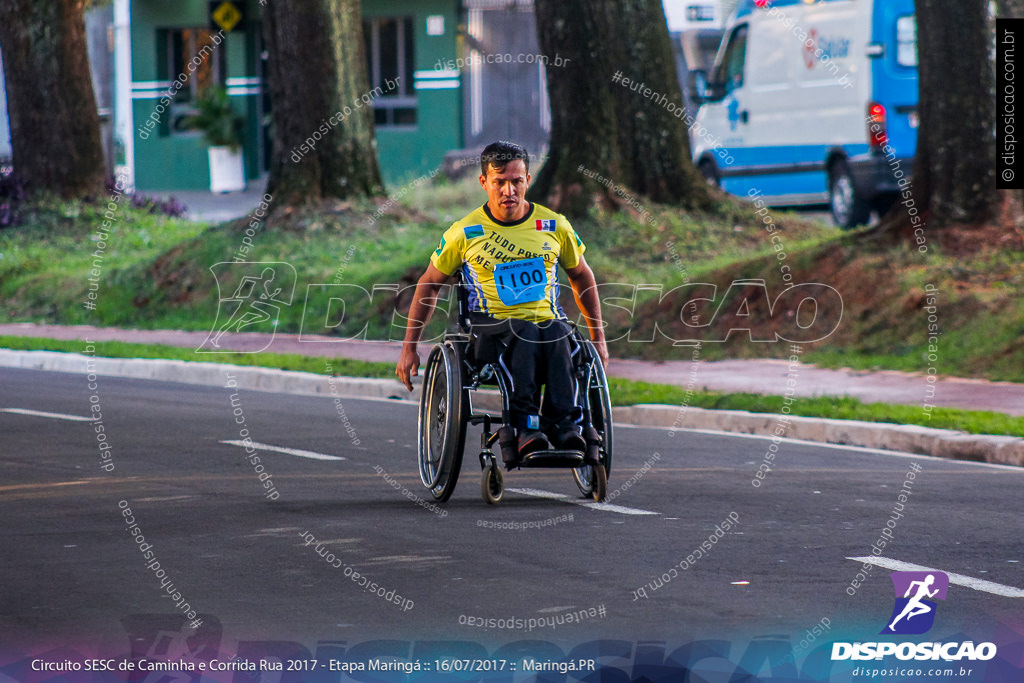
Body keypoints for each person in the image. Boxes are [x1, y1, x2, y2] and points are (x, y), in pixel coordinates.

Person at [396, 141, 608, 466]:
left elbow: (582, 277)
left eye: (517, 181)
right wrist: (409, 347)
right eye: (500, 182)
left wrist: (599, 338)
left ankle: (566, 425)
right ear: (484, 182)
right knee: (524, 330)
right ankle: (526, 427)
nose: (509, 190)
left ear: (527, 179)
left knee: (556, 331)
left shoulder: (554, 225)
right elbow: (429, 284)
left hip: (546, 323)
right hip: (490, 329)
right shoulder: (465, 232)